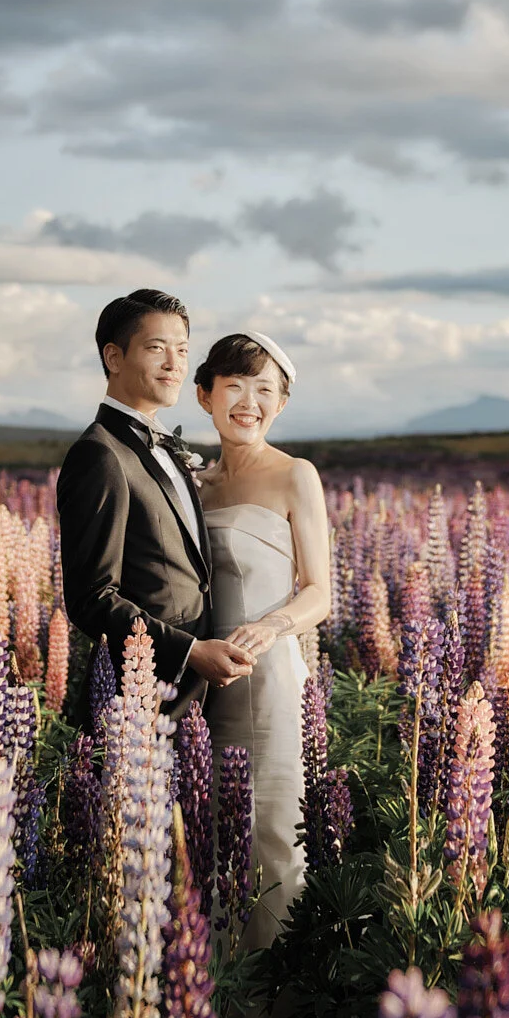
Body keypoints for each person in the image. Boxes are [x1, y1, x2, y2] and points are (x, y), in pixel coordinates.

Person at [192, 330, 331, 950]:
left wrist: (273, 626)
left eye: (265, 390)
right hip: (198, 678)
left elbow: (319, 592)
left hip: (270, 677)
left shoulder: (296, 475)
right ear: (206, 396)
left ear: (280, 404)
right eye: (235, 386)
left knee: (273, 832)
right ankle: (216, 1006)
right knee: (207, 835)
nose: (249, 401)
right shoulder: (194, 482)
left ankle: (270, 1012)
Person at [56, 290, 255, 721]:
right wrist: (190, 651)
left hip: (197, 699)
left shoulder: (165, 445)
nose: (174, 364)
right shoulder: (101, 454)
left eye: (182, 350)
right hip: (137, 703)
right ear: (113, 357)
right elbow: (91, 598)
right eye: (156, 348)